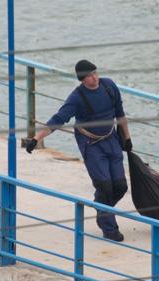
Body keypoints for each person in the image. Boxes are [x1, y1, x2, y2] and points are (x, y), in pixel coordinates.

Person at [26, 59, 132, 242]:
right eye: (89, 76)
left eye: (95, 73)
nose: (94, 78)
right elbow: (58, 119)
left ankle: (101, 209)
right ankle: (110, 228)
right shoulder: (76, 98)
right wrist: (36, 138)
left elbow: (120, 114)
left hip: (111, 138)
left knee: (121, 186)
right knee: (105, 186)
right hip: (90, 143)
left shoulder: (109, 86)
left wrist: (127, 138)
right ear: (82, 80)